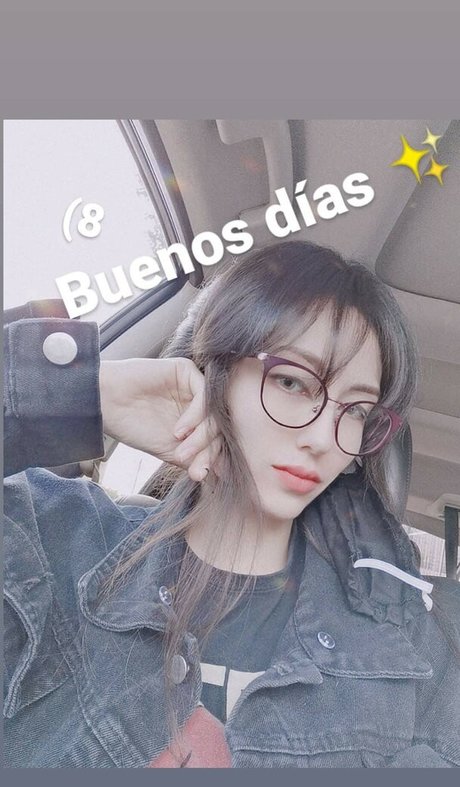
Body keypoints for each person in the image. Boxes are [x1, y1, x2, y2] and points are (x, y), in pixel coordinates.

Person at [3, 240, 460, 768]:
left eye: (355, 410)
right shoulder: (53, 542)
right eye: (291, 382)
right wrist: (84, 391)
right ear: (211, 371)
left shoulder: (417, 647)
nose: (323, 438)